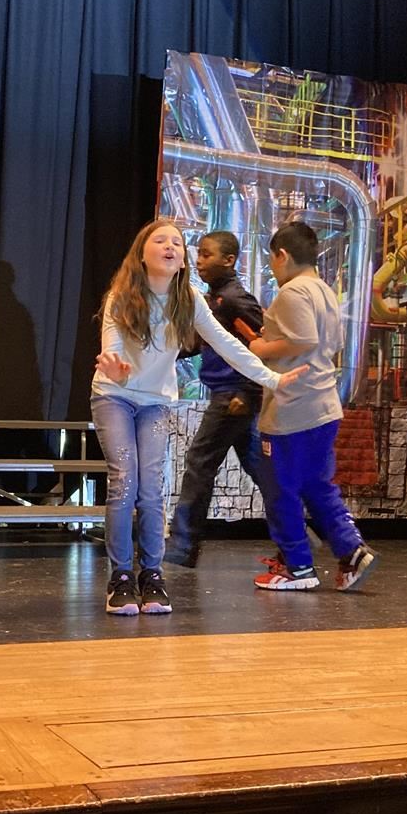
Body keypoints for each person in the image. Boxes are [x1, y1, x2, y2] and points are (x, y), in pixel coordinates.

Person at [92, 219, 305, 616]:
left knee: (152, 488)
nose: (171, 246)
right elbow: (112, 348)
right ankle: (121, 576)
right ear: (142, 252)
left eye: (178, 242)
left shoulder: (188, 298)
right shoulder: (121, 296)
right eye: (161, 240)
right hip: (115, 397)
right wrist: (115, 367)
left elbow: (229, 345)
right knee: (125, 479)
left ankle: (151, 575)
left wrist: (272, 379)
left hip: (155, 401)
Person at [246, 220, 378, 592]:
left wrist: (259, 348)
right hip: (323, 406)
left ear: (283, 255)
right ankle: (351, 552)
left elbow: (302, 339)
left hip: (293, 409)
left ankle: (297, 566)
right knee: (318, 487)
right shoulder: (324, 291)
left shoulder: (292, 293)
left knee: (280, 489)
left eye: (272, 259)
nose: (272, 267)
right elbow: (328, 341)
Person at [162, 230, 273, 568]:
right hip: (230, 396)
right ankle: (302, 533)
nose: (199, 262)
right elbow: (196, 344)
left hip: (233, 397)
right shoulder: (213, 300)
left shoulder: (235, 300)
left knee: (199, 463)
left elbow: (258, 348)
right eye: (198, 255)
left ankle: (182, 547)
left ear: (229, 260)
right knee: (263, 472)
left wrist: (246, 391)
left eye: (206, 255)